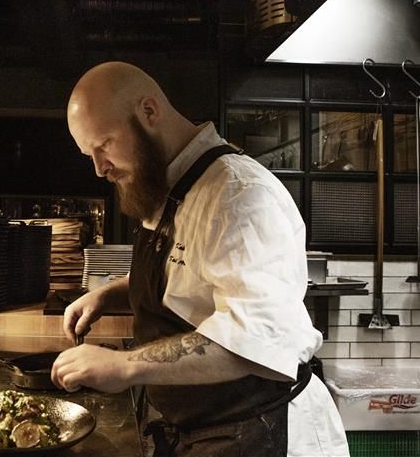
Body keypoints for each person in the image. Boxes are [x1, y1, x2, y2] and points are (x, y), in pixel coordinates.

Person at [51, 61, 349, 457]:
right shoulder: (172, 186)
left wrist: (124, 366)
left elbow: (252, 339)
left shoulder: (238, 196)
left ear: (149, 112)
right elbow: (187, 277)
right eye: (89, 153)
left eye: (104, 144)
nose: (99, 168)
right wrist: (107, 295)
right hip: (207, 431)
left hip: (262, 431)